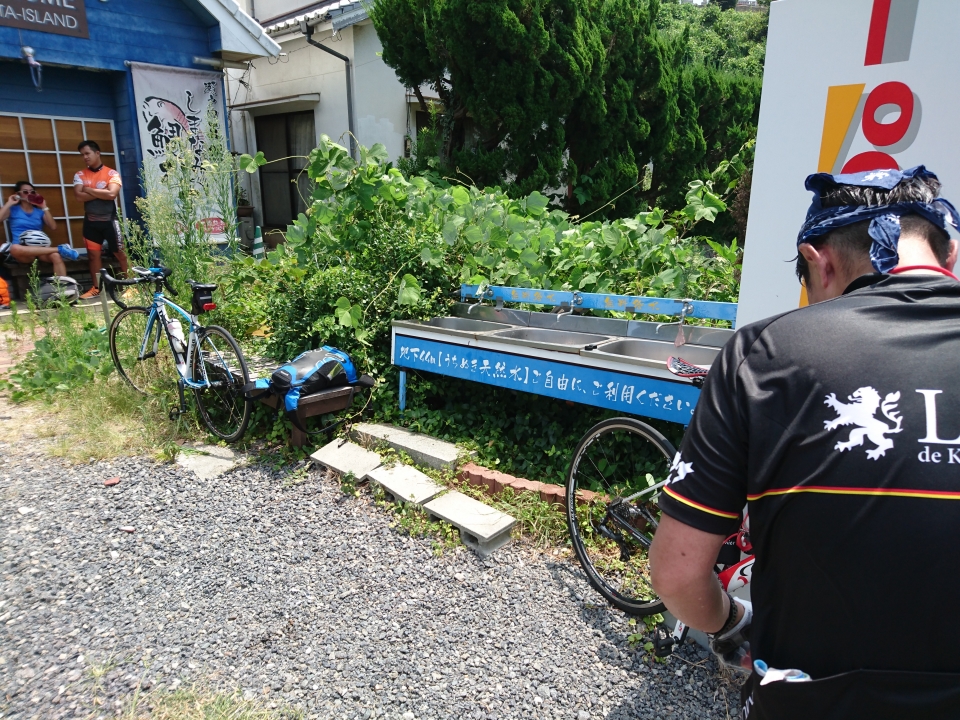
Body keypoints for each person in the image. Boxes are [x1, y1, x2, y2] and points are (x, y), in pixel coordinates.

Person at [649, 166, 960, 719]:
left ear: (821, 262)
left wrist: (731, 622)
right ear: (949, 255)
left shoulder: (763, 353)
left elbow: (676, 573)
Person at [74, 139, 127, 299]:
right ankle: (97, 287)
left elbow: (112, 194)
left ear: (97, 153)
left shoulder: (112, 173)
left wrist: (88, 189)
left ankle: (131, 285)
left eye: (87, 153)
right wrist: (100, 192)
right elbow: (78, 197)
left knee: (120, 253)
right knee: (93, 256)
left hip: (110, 221)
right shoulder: (80, 174)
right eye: (82, 155)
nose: (85, 157)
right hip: (91, 222)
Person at [0, 180, 79, 277]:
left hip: (41, 247)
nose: (29, 194)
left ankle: (62, 285)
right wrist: (9, 203)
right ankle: (60, 249)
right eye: (25, 192)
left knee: (56, 256)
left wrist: (44, 207)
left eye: (32, 192)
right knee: (14, 248)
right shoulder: (12, 210)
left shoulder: (39, 212)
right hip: (23, 249)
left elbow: (53, 227)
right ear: (18, 194)